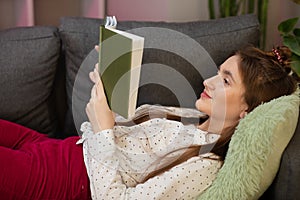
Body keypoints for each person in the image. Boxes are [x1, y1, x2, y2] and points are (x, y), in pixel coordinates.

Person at [0, 46, 297, 200]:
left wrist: (103, 129)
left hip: (65, 180)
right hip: (58, 148)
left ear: (248, 110)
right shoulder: (189, 117)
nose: (208, 81)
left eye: (225, 80)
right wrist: (108, 83)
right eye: (218, 72)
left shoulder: (203, 167)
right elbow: (120, 136)